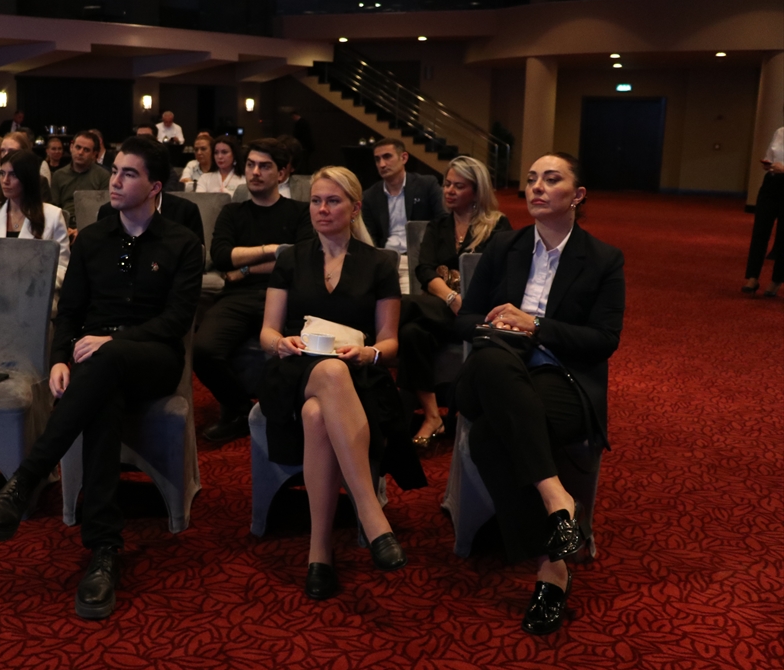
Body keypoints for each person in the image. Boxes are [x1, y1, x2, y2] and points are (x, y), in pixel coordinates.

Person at [0, 136, 203, 620]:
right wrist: (60, 358)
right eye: (114, 170)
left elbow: (176, 322)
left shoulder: (181, 242)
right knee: (104, 396)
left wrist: (112, 342)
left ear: (155, 187)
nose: (115, 181)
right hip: (97, 363)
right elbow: (71, 312)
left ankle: (26, 479)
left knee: (106, 363)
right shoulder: (93, 239)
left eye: (129, 174)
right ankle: (104, 550)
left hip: (155, 360)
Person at [454, 152, 625, 635]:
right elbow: (464, 320)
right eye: (531, 179)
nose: (537, 188)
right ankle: (558, 501)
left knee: (490, 437)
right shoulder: (504, 247)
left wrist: (537, 326)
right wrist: (497, 324)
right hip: (493, 370)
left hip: (559, 375)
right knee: (492, 359)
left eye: (552, 179)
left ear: (578, 195)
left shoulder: (603, 259)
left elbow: (604, 339)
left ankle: (552, 568)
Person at [258, 166, 424, 600]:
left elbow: (389, 342)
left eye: (333, 201)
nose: (322, 209)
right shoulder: (291, 258)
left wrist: (369, 353)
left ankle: (319, 553)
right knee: (328, 372)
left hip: (357, 374)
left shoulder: (380, 262)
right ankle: (372, 516)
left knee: (318, 414)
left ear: (354, 208)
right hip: (295, 370)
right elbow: (267, 333)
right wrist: (281, 343)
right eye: (316, 201)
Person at [196, 139, 313, 443]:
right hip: (237, 297)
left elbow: (299, 259)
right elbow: (221, 256)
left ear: (282, 173)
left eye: (264, 166)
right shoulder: (232, 212)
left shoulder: (300, 212)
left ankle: (287, 415)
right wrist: (273, 249)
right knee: (203, 349)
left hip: (285, 296)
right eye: (250, 165)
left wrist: (246, 268)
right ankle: (240, 412)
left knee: (297, 352)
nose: (255, 172)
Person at [399, 156, 511, 446]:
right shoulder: (438, 225)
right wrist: (451, 297)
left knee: (404, 310)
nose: (449, 190)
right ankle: (432, 415)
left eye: (458, 186)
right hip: (442, 310)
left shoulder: (497, 225)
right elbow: (424, 269)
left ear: (476, 191)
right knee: (410, 333)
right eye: (447, 184)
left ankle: (393, 311)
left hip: (479, 314)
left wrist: (464, 302)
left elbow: (501, 276)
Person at [0, 150, 70, 291]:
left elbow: (62, 267)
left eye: (13, 175)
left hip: (36, 292)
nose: (5, 180)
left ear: (27, 178)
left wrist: (34, 283)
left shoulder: (53, 215)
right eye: (2, 173)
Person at [361, 138, 445, 295]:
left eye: (387, 157)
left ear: (404, 158)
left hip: (419, 258)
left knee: (403, 299)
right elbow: (369, 236)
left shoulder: (426, 185)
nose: (382, 164)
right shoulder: (370, 196)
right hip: (387, 260)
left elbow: (443, 221)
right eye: (377, 159)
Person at [743, 122, 784, 297]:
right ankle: (752, 277)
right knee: (760, 231)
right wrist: (768, 164)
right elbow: (770, 155)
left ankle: (776, 280)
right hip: (771, 184)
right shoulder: (779, 132)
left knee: (783, 236)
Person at [50, 131, 110, 231]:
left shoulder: (103, 175)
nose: (80, 152)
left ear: (94, 154)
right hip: (63, 226)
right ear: (71, 147)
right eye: (78, 147)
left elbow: (106, 211)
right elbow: (53, 208)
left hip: (93, 227)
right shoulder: (59, 175)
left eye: (86, 150)